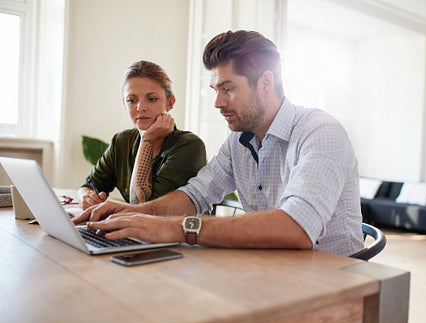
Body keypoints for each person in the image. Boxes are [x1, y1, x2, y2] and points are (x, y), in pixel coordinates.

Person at [74, 31, 364, 256]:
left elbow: (297, 227)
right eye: (215, 90)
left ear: (265, 82)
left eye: (228, 89)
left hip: (331, 280)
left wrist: (176, 228)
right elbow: (195, 195)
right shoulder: (238, 140)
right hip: (272, 268)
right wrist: (131, 213)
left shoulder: (321, 132)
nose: (217, 103)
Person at [78, 60, 207, 210]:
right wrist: (86, 197)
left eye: (152, 99)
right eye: (131, 100)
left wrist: (148, 139)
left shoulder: (190, 146)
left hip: (178, 231)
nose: (140, 107)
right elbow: (89, 185)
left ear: (170, 102)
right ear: (124, 104)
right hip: (137, 231)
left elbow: (144, 209)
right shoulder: (122, 141)